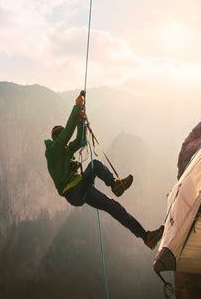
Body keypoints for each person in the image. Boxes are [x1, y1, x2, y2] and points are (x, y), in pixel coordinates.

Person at [44, 91, 164, 249]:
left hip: (81, 189)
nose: (66, 144)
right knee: (94, 165)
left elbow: (80, 141)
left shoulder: (64, 150)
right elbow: (67, 133)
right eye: (62, 140)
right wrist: (77, 107)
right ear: (57, 139)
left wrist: (81, 121)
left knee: (113, 206)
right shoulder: (53, 151)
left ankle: (146, 236)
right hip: (74, 192)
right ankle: (114, 184)